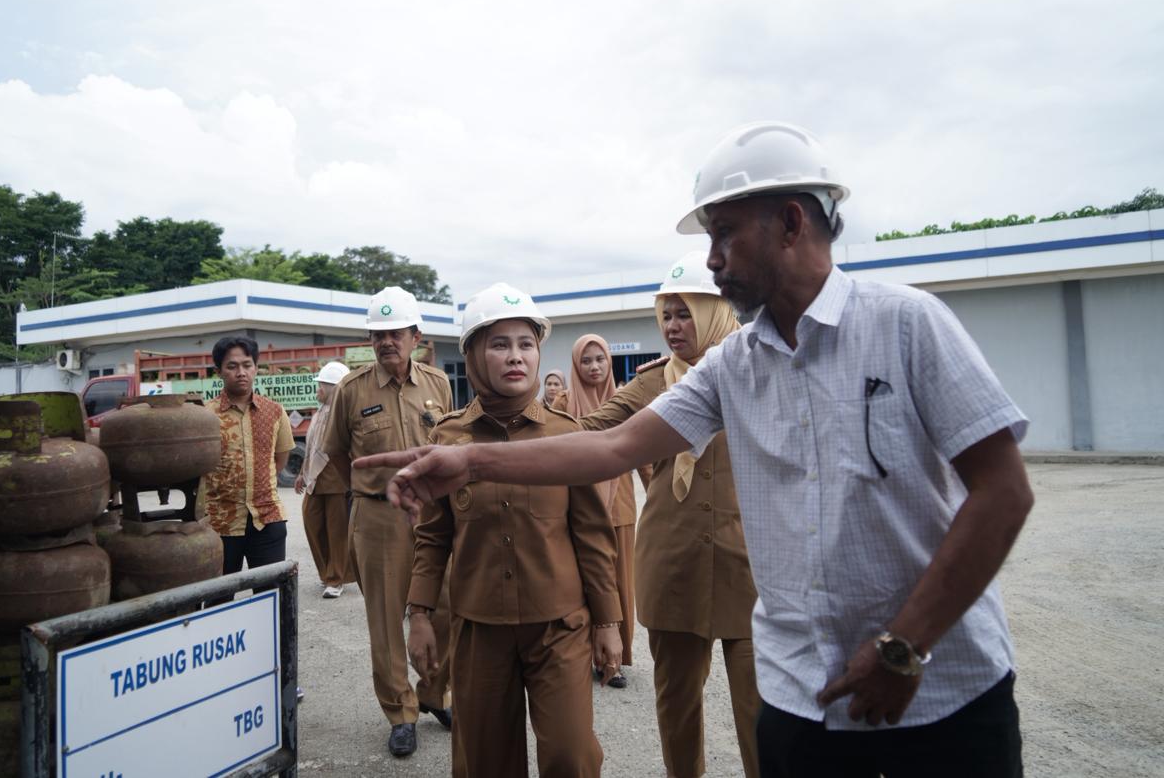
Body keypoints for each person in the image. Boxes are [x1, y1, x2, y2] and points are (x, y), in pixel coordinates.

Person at [359, 121, 1035, 778]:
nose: (712, 260)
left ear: (792, 224)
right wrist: (471, 460)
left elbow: (1004, 493)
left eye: (725, 235)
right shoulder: (734, 366)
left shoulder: (908, 326)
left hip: (941, 690)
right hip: (806, 698)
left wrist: (902, 648)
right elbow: (614, 448)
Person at [407, 283, 622, 777]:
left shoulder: (568, 435)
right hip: (479, 628)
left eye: (525, 344)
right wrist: (419, 615)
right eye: (498, 344)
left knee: (571, 755)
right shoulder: (449, 437)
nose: (515, 357)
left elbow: (593, 535)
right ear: (474, 355)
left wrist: (608, 623)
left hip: (559, 628)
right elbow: (433, 537)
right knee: (485, 762)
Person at [574, 251, 760, 778]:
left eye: (686, 313)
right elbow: (594, 430)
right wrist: (505, 432)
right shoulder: (654, 382)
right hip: (673, 563)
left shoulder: (758, 368)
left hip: (750, 565)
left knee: (761, 710)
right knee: (677, 705)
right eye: (667, 315)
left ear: (717, 310)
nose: (674, 327)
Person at [322, 286, 455, 757]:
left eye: (394, 333)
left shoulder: (438, 384)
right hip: (379, 516)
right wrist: (368, 493)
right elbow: (337, 453)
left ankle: (434, 693)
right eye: (377, 334)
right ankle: (400, 712)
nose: (385, 342)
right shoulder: (352, 390)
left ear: (415, 335)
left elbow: (449, 442)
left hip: (434, 515)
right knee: (385, 617)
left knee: (445, 607)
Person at [554, 334, 637, 688]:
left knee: (618, 583)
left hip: (619, 507)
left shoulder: (624, 401)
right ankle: (582, 653)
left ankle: (615, 661)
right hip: (576, 508)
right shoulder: (563, 401)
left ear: (609, 362)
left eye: (600, 359)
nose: (594, 366)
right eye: (586, 360)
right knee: (576, 583)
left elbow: (644, 456)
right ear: (576, 364)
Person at [198, 335, 295, 574]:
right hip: (219, 524)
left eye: (247, 365)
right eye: (232, 366)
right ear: (218, 371)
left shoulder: (274, 411)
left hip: (267, 519)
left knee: (269, 596)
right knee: (218, 599)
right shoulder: (204, 416)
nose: (241, 372)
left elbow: (279, 459)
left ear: (255, 368)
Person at [295, 360, 355, 599]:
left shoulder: (344, 414)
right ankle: (326, 572)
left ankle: (336, 579)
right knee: (312, 522)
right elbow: (311, 447)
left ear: (334, 388)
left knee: (336, 530)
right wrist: (302, 473)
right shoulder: (320, 412)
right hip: (315, 477)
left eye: (322, 386)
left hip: (336, 477)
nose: (318, 390)